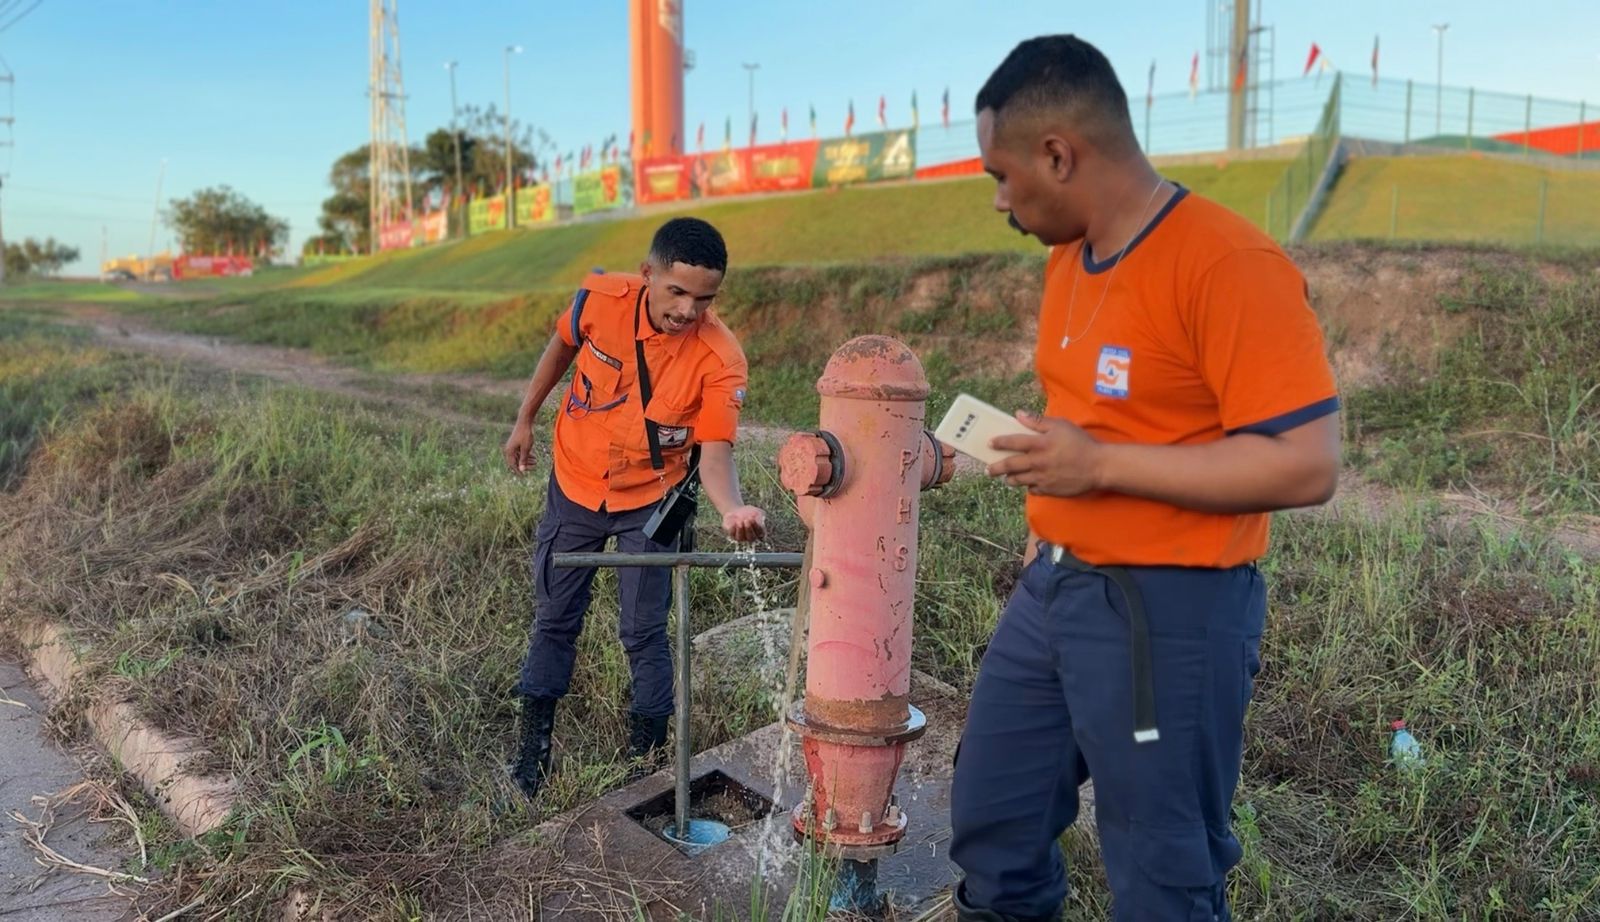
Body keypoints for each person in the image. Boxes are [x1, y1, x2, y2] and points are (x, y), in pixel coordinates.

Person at [948, 35, 1342, 921]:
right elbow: (1097, 413)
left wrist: (1101, 465)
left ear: (1059, 154)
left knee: (1163, 869)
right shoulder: (1068, 261)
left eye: (1001, 177)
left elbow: (1308, 462)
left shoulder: (1227, 263)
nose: (1001, 202)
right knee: (990, 821)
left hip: (1173, 613)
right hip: (1053, 590)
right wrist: (1052, 463)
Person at [501, 216, 766, 800]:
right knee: (555, 617)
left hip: (649, 500)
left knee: (644, 629)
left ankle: (644, 761)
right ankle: (531, 756)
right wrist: (525, 419)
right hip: (575, 483)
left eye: (704, 298)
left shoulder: (721, 359)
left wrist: (731, 508)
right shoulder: (600, 299)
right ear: (648, 274)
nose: (688, 310)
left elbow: (715, 452)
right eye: (676, 291)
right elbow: (561, 349)